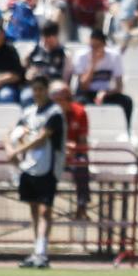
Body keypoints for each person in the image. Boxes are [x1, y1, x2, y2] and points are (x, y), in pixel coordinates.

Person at [5, 75, 65, 269]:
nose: (38, 93)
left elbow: (42, 138)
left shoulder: (54, 112)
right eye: (35, 89)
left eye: (41, 89)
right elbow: (10, 132)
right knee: (33, 208)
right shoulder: (28, 112)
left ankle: (42, 252)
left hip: (48, 166)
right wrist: (8, 148)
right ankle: (36, 250)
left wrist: (17, 151)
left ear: (47, 90)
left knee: (45, 209)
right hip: (29, 166)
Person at [72, 29, 133, 129]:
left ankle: (126, 130)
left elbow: (119, 86)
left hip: (106, 94)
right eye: (92, 46)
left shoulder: (114, 56)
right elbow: (83, 86)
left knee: (126, 101)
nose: (94, 50)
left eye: (97, 46)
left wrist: (105, 93)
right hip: (87, 93)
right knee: (78, 103)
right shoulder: (81, 56)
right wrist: (93, 64)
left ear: (104, 45)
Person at [50, 79, 90, 220]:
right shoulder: (48, 114)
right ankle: (46, 206)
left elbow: (83, 144)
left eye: (60, 99)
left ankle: (82, 206)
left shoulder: (80, 112)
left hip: (73, 156)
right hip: (52, 154)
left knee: (82, 162)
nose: (57, 103)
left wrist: (74, 149)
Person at [20, 21, 73, 105]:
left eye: (49, 37)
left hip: (54, 88)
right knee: (26, 97)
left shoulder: (65, 54)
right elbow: (23, 68)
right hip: (35, 86)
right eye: (44, 37)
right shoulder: (33, 50)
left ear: (56, 36)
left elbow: (65, 79)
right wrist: (28, 73)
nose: (46, 41)